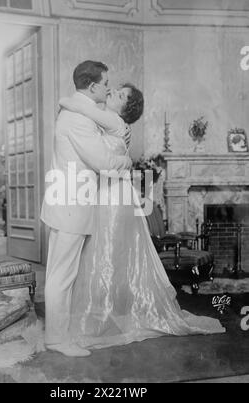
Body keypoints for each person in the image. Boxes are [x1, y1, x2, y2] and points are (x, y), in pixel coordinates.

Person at [59, 83, 226, 350]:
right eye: (115, 89)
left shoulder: (114, 120)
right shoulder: (114, 123)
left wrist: (65, 102)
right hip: (111, 194)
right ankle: (110, 312)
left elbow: (78, 105)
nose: (113, 92)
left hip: (114, 198)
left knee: (108, 253)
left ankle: (105, 316)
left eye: (122, 95)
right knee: (109, 254)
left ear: (127, 109)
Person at [40, 61, 133, 357]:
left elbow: (114, 131)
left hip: (68, 201)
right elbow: (104, 162)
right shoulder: (77, 118)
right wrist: (127, 162)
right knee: (61, 275)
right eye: (106, 83)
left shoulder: (78, 111)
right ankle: (56, 339)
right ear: (92, 86)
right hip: (71, 202)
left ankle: (59, 335)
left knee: (62, 273)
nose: (109, 88)